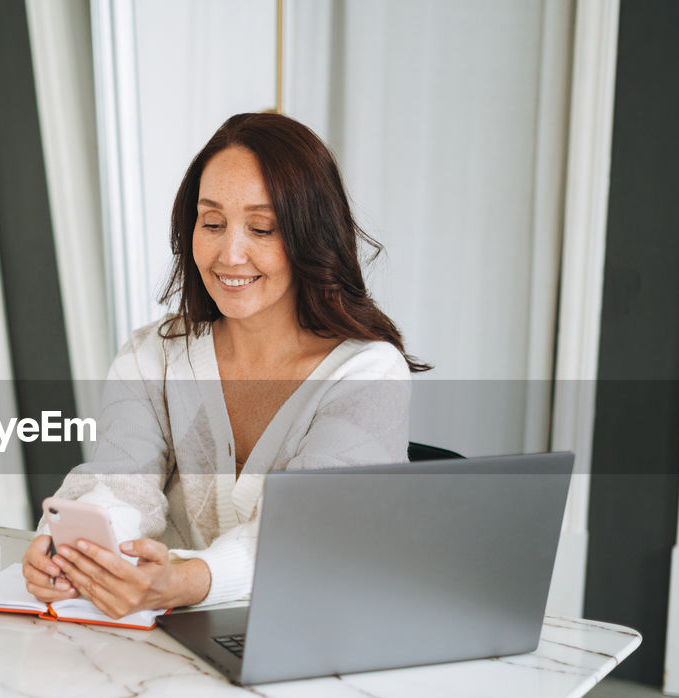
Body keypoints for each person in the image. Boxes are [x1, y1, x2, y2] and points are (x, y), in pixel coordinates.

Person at [21, 112, 428, 619]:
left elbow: (315, 532)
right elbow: (120, 483)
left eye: (262, 228)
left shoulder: (367, 375)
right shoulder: (154, 355)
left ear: (311, 237)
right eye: (211, 223)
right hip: (169, 645)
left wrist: (189, 580)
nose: (229, 254)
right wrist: (75, 554)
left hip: (313, 638)